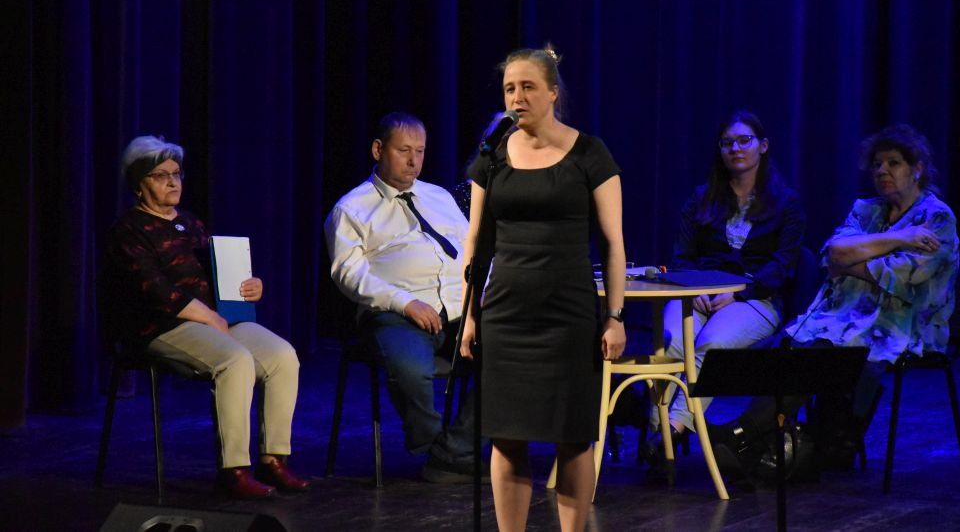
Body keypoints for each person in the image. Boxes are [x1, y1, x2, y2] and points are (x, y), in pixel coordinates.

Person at [711, 123, 959, 480]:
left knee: (817, 353)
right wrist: (900, 238)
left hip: (899, 324)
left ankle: (742, 436)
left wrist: (853, 260)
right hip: (843, 316)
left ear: (917, 169)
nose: (882, 171)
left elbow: (902, 277)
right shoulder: (866, 211)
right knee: (788, 346)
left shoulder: (937, 218)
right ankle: (760, 442)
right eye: (877, 164)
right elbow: (832, 254)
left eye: (894, 163)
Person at [459, 46, 626, 532]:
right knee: (507, 436)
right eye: (509, 88)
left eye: (528, 87)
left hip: (568, 315)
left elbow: (613, 243)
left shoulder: (590, 154)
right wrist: (469, 316)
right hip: (506, 315)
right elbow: (476, 240)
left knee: (572, 437)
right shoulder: (492, 156)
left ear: (553, 92)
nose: (517, 97)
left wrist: (614, 317)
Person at [99, 136, 310, 499]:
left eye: (176, 174)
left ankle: (273, 460)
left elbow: (218, 274)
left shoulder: (190, 223)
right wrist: (209, 318)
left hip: (214, 319)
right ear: (138, 184)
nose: (172, 182)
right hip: (161, 326)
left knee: (282, 356)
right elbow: (156, 290)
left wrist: (250, 286)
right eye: (160, 175)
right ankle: (234, 470)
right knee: (235, 360)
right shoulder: (128, 231)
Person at [324, 112, 480, 483]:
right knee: (410, 367)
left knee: (514, 354)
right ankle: (439, 449)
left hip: (460, 309)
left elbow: (470, 253)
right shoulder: (352, 209)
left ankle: (451, 453)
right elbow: (349, 273)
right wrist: (404, 303)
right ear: (378, 150)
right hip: (396, 313)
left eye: (420, 151)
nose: (413, 161)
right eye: (403, 150)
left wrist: (483, 296)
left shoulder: (439, 197)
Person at [645, 111, 805, 464]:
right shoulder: (701, 198)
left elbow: (784, 265)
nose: (736, 148)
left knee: (711, 345)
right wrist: (694, 289)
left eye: (744, 140)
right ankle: (661, 438)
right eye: (727, 143)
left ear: (763, 146)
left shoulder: (787, 203)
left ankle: (669, 432)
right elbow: (682, 257)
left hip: (755, 297)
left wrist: (738, 294)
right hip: (696, 293)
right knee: (670, 344)